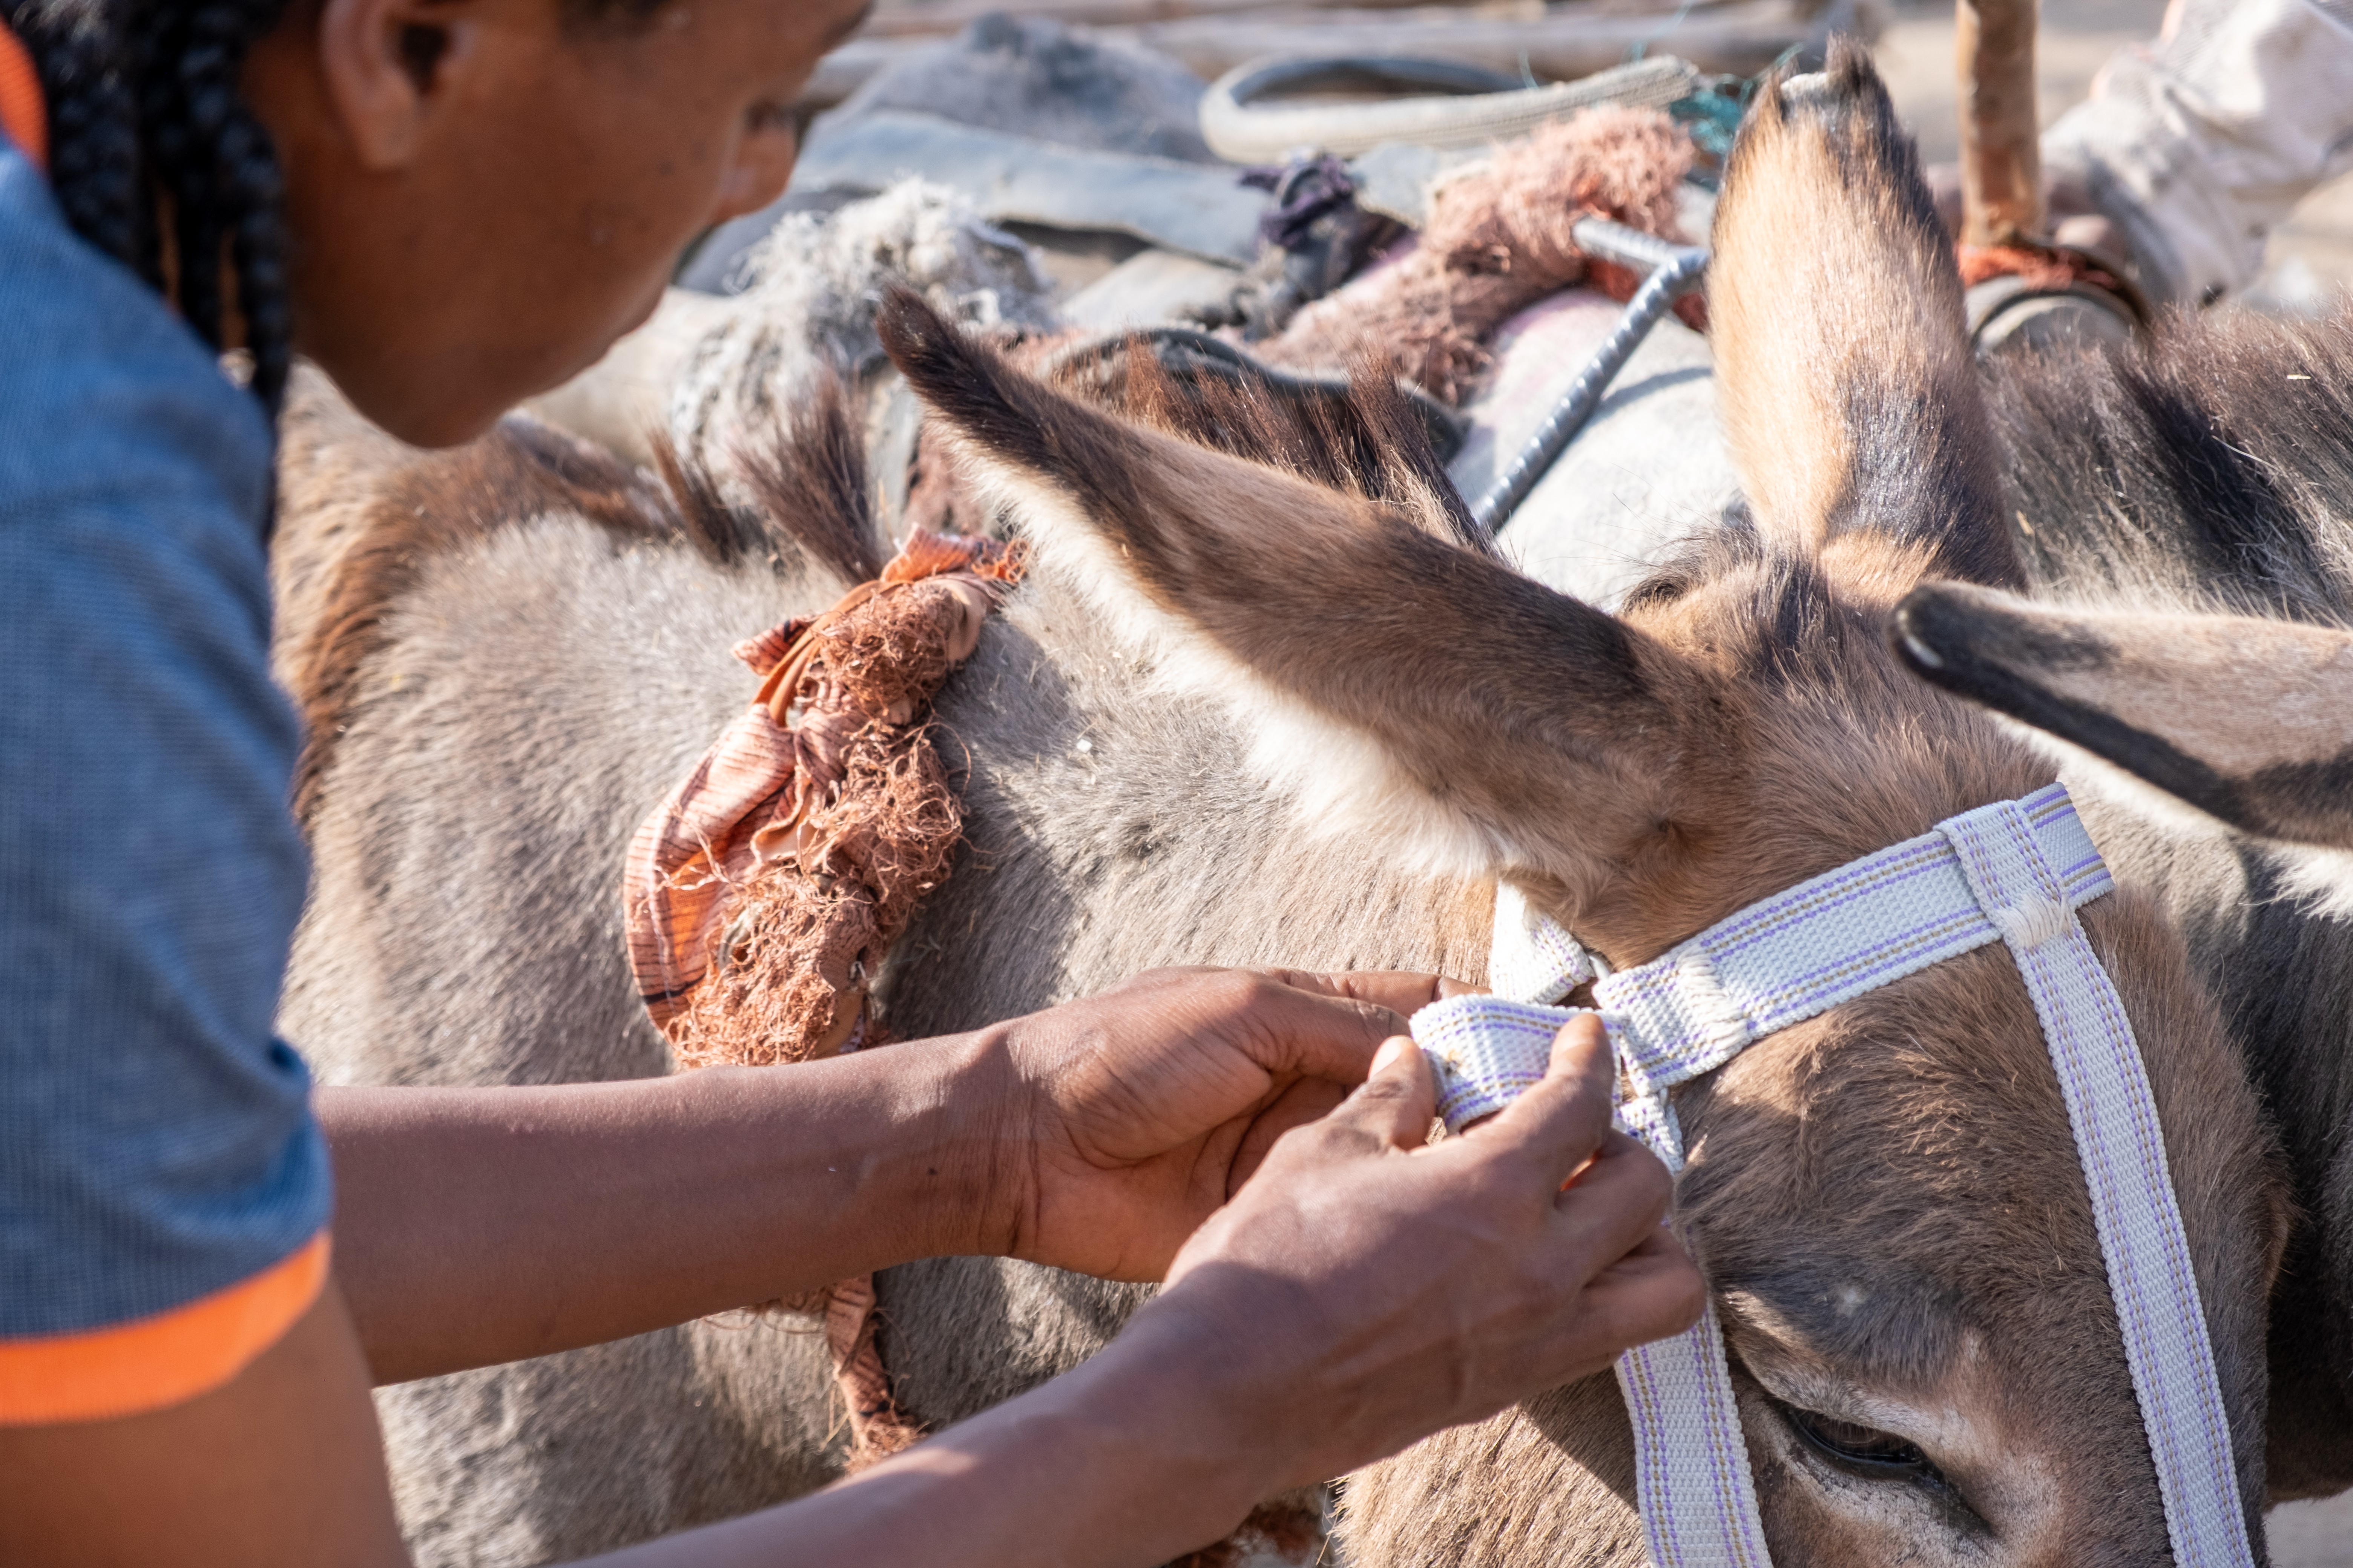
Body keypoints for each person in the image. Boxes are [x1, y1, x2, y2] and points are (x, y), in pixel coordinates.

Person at [0, 1, 1704, 1563]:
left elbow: (103, 1218)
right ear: (412, 43)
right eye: (759, 99)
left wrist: (985, 1143)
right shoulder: (69, 544)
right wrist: (1217, 1402)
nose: (765, 180)